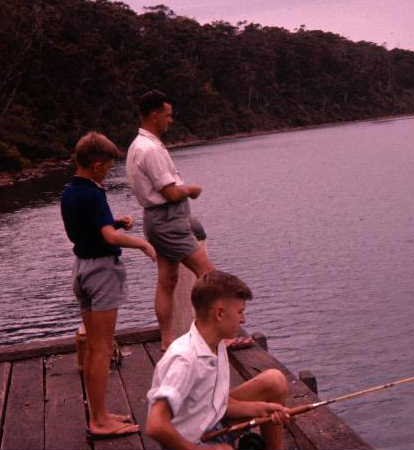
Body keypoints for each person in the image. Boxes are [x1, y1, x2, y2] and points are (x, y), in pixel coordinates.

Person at [61, 131, 156, 440]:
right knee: (102, 348)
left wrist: (115, 223)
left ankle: (100, 413)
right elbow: (110, 239)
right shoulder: (94, 192)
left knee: (93, 347)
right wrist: (142, 243)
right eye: (109, 166)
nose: (110, 171)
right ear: (98, 164)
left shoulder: (69, 191)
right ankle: (100, 422)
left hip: (81, 270)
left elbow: (87, 231)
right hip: (102, 272)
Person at [146, 270, 290, 450]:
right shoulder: (184, 359)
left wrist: (263, 409)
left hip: (212, 424)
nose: (243, 320)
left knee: (274, 381)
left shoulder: (217, 343)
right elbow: (156, 425)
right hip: (184, 444)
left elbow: (217, 404)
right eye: (240, 312)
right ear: (220, 314)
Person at [126, 90, 216, 351]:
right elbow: (170, 192)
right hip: (168, 220)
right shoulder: (150, 149)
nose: (170, 120)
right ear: (154, 116)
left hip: (156, 220)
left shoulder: (137, 146)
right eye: (167, 115)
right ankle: (211, 335)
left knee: (167, 280)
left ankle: (168, 339)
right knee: (210, 275)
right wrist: (191, 189)